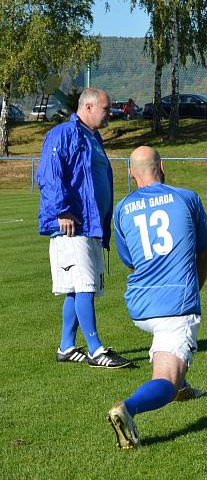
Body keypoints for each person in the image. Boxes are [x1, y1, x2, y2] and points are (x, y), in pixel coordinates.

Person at [106, 146, 207, 449]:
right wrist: (193, 290)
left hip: (139, 304)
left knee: (169, 344)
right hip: (174, 305)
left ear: (131, 173)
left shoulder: (123, 208)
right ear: (162, 167)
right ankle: (128, 407)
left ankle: (183, 386)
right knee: (166, 379)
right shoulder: (186, 197)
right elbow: (204, 255)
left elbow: (131, 261)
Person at [36, 88, 132, 368]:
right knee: (85, 285)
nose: (109, 113)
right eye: (105, 108)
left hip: (90, 225)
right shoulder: (63, 134)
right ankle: (96, 349)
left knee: (78, 288)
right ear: (88, 107)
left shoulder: (93, 136)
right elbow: (49, 174)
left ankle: (66, 346)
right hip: (72, 224)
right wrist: (63, 210)